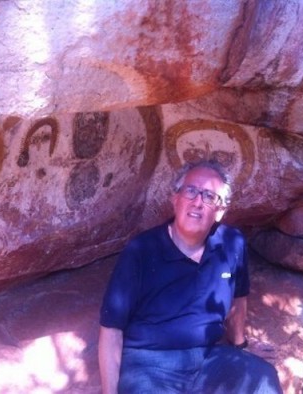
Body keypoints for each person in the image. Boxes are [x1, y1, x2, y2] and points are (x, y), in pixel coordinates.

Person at [99, 160, 282, 393]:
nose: (197, 202)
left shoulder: (231, 243)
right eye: (191, 191)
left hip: (208, 358)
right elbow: (111, 329)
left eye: (209, 196)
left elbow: (238, 299)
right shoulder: (142, 250)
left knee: (263, 380)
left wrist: (240, 345)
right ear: (175, 199)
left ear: (220, 211)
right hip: (149, 364)